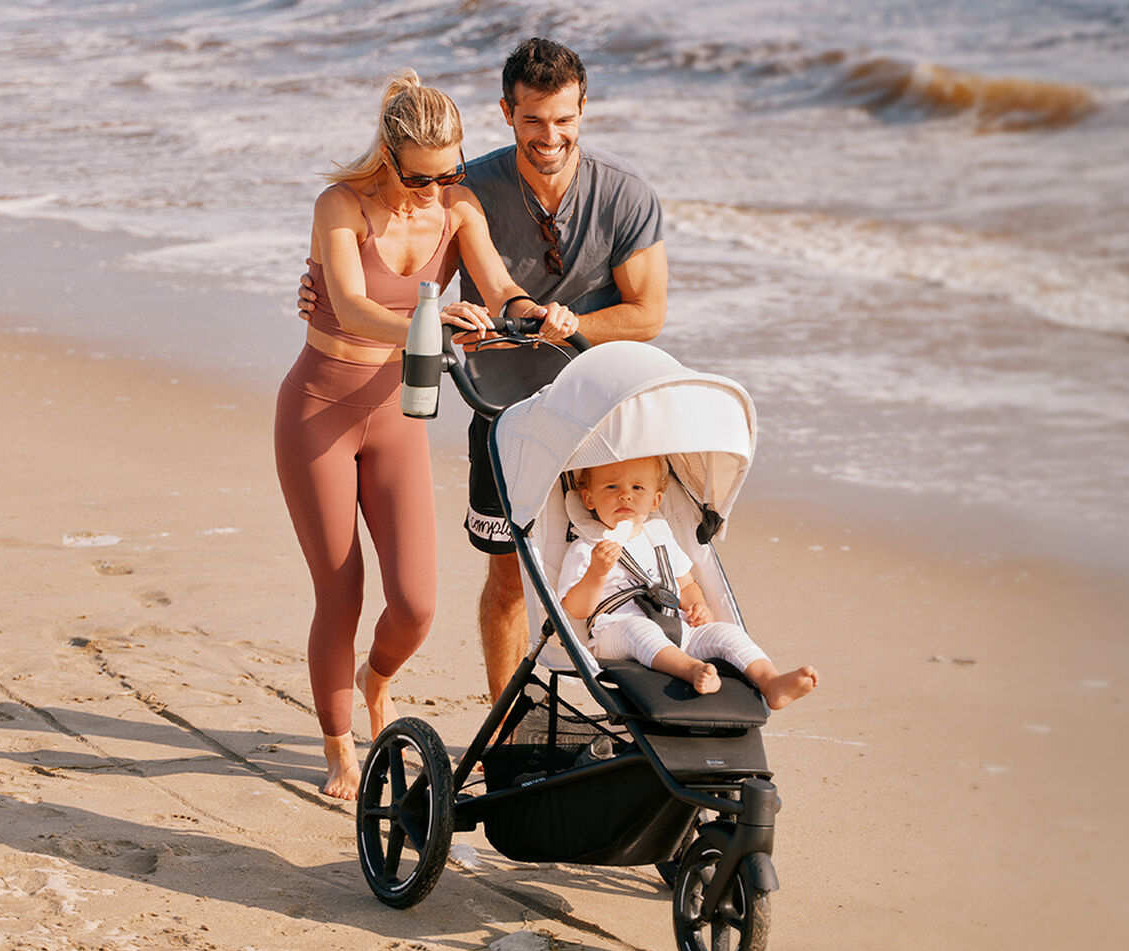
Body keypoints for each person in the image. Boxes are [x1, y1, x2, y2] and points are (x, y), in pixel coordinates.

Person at [300, 37, 669, 702]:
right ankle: (506, 722)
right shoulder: (467, 185)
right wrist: (323, 291)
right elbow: (384, 256)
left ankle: (637, 711)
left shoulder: (623, 197)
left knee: (620, 567)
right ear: (507, 112)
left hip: (602, 416)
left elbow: (643, 314)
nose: (548, 135)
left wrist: (564, 321)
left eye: (563, 118)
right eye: (532, 119)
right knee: (506, 577)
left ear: (584, 109)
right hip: (502, 413)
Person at [278, 69, 538, 799]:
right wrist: (428, 325)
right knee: (341, 594)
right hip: (317, 411)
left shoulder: (456, 209)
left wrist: (526, 310)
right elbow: (351, 306)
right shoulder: (340, 205)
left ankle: (375, 677)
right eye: (420, 178)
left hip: (397, 416)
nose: (433, 189)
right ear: (388, 157)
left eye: (447, 173)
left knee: (417, 605)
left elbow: (495, 285)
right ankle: (338, 748)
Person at [558, 458, 821, 709]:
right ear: (588, 499)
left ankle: (770, 682)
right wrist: (597, 572)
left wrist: (697, 606)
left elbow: (686, 585)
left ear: (655, 501)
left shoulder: (660, 539)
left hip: (676, 626)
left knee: (726, 634)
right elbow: (577, 609)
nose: (625, 495)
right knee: (638, 629)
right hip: (616, 632)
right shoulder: (586, 547)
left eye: (638, 488)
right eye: (612, 486)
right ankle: (690, 669)